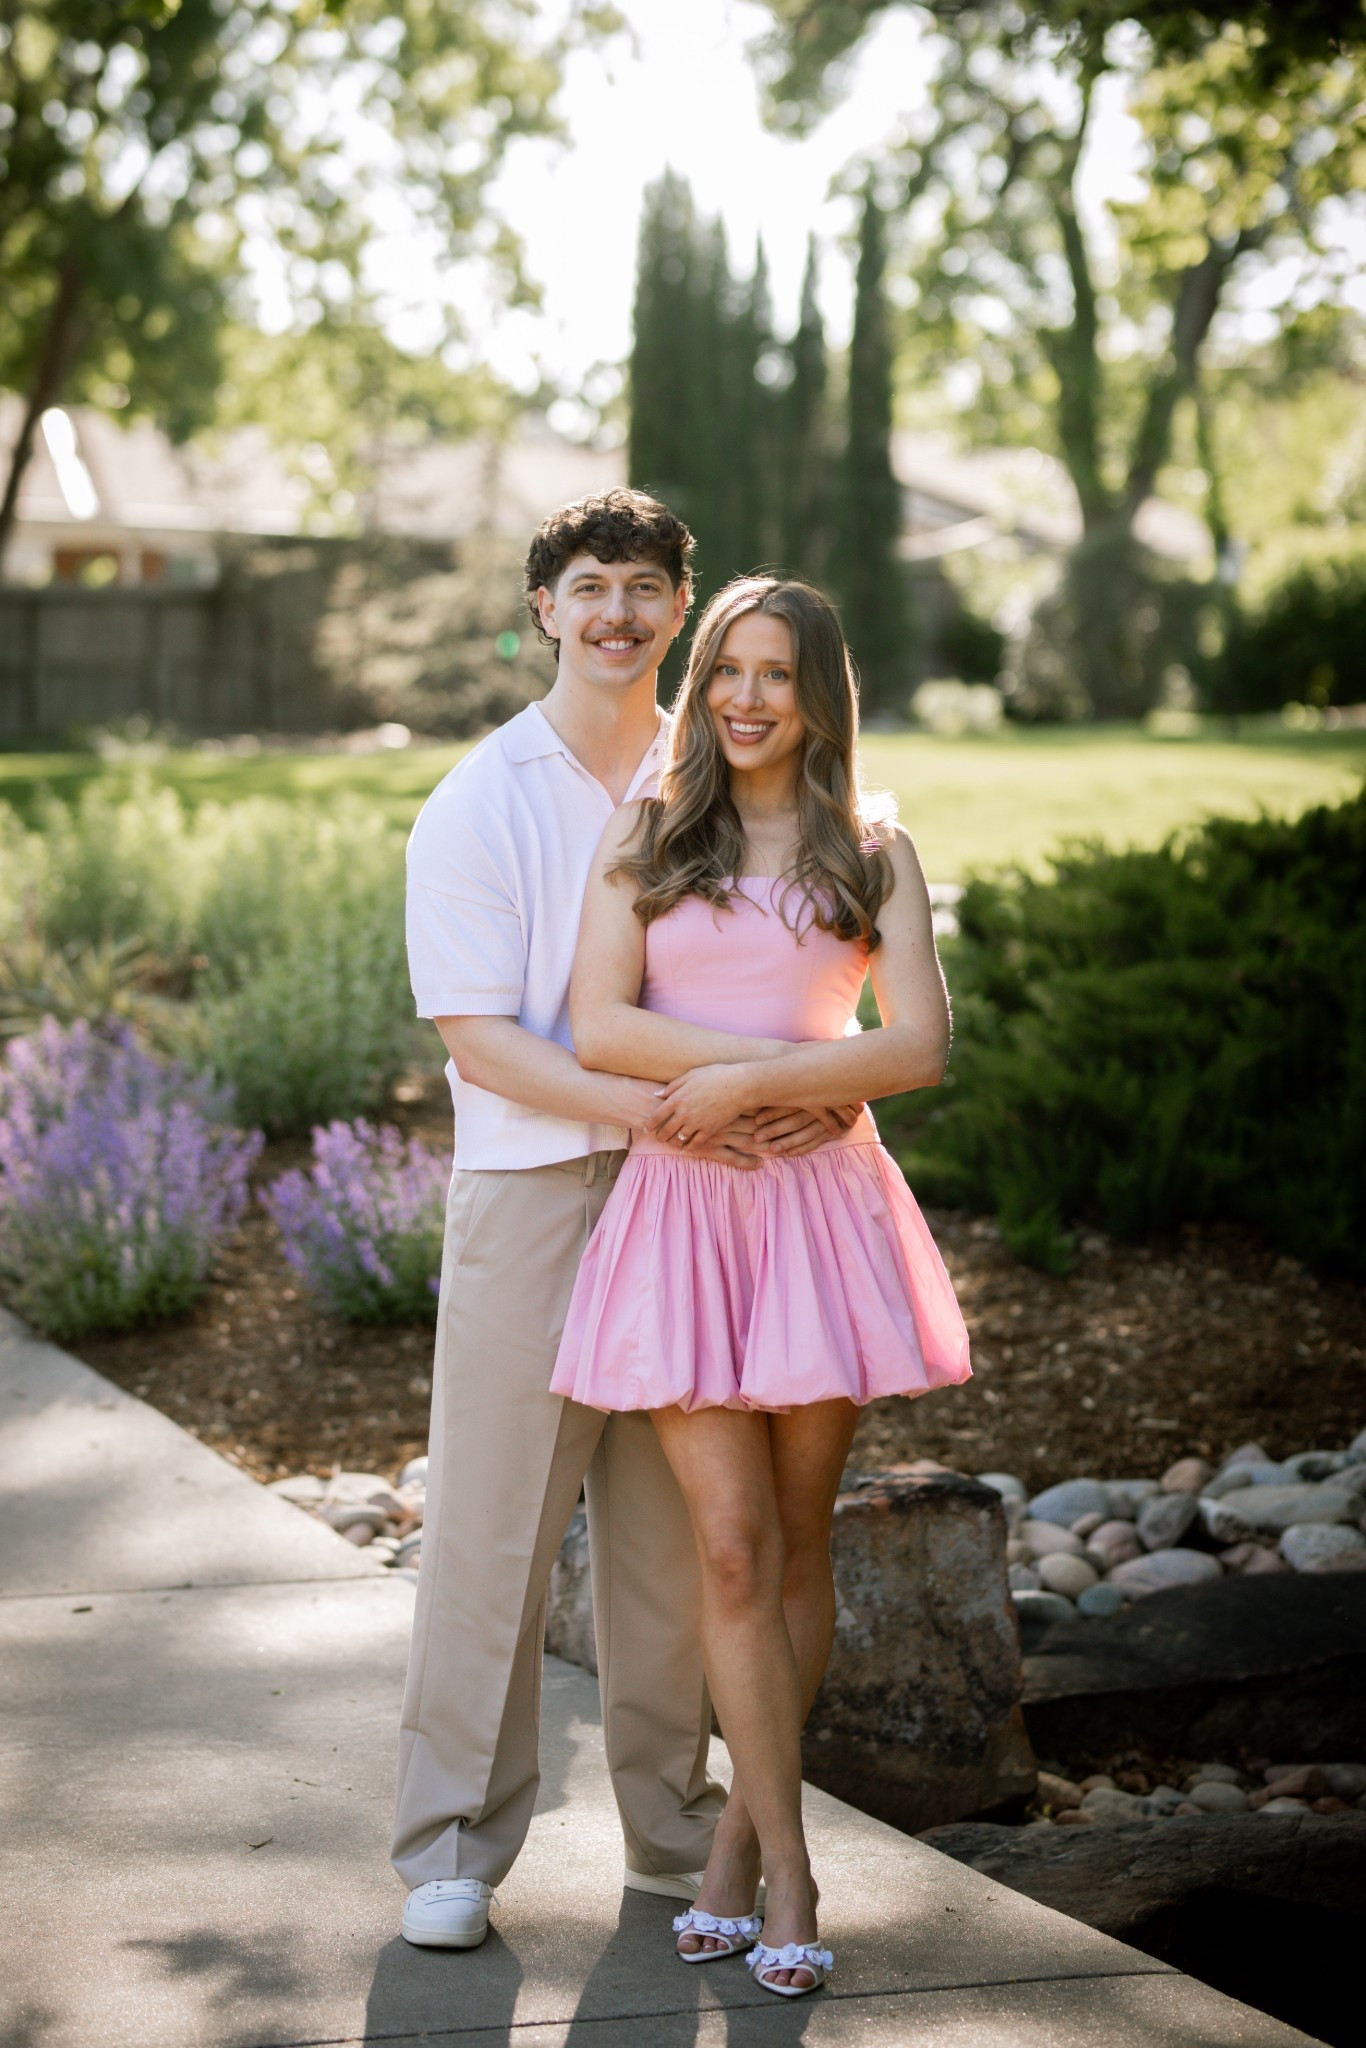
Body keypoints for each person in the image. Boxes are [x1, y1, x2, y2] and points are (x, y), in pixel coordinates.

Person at [392, 493, 849, 1951]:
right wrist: (679, 1105)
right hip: (540, 1189)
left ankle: (668, 1834)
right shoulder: (480, 797)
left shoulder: (713, 769)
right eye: (587, 587)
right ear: (542, 609)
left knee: (677, 1543)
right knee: (494, 1529)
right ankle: (454, 1843)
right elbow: (484, 1043)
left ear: (681, 609)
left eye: (645, 589)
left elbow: (800, 973)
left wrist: (809, 1091)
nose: (616, 616)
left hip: (707, 1200)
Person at [550, 574, 972, 1998]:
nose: (741, 698)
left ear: (818, 692)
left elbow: (913, 1046)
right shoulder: (649, 835)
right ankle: (792, 1867)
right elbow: (598, 1022)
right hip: (687, 1212)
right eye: (725, 669)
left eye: (774, 675)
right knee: (727, 1553)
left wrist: (787, 1089)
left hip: (817, 1214)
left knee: (797, 1549)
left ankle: (739, 1847)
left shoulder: (873, 849)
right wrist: (754, 1087)